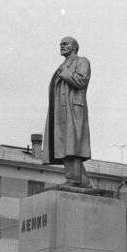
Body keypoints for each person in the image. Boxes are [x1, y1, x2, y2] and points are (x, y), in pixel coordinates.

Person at [42, 36, 91, 186]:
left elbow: (82, 80)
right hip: (59, 111)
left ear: (74, 47)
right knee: (64, 144)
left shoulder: (82, 61)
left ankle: (74, 179)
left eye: (65, 44)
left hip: (73, 108)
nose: (62, 46)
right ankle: (83, 181)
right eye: (60, 44)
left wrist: (65, 73)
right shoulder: (62, 65)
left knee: (73, 145)